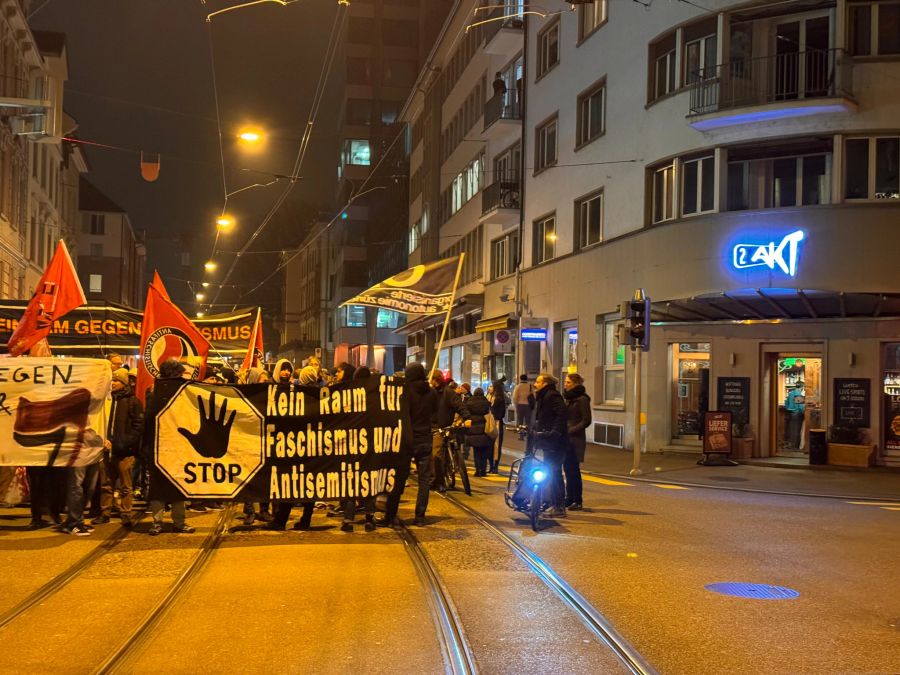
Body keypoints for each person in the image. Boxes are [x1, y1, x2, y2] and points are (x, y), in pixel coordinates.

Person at [382, 362, 437, 527]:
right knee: (424, 480)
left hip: (406, 440)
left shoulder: (404, 392)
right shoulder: (432, 393)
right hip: (425, 439)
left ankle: (390, 516)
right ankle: (420, 516)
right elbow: (434, 413)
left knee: (398, 478)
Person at [146, 359, 195, 535]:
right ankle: (167, 522)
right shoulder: (155, 393)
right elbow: (149, 420)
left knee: (176, 485)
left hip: (172, 446)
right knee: (161, 487)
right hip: (163, 447)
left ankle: (172, 522)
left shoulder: (181, 392)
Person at [93, 368, 144, 526]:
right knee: (106, 484)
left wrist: (123, 443)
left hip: (124, 451)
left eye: (116, 381)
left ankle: (126, 512)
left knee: (125, 485)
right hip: (107, 451)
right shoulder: (107, 401)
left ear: (123, 383)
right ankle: (105, 512)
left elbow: (138, 426)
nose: (113, 383)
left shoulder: (132, 402)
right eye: (112, 381)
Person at [531, 373, 568, 518]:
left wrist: (555, 432)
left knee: (554, 472)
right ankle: (554, 503)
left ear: (545, 383)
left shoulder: (552, 395)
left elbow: (561, 414)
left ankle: (558, 506)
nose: (535, 384)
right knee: (551, 472)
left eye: (538, 382)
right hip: (548, 440)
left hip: (555, 441)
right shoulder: (543, 396)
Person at [430, 371, 470, 493]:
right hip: (431, 426)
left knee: (436, 454)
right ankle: (436, 479)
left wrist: (467, 417)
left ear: (435, 380)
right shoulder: (430, 392)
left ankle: (440, 479)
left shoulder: (447, 392)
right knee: (432, 454)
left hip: (443, 426)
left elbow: (459, 405)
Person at [563, 373, 590, 511]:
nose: (565, 384)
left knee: (574, 470)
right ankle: (569, 498)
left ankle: (577, 500)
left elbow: (586, 420)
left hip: (576, 439)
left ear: (575, 384)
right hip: (566, 438)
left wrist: (571, 430)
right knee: (567, 468)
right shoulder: (568, 398)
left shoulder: (582, 399)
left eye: (568, 382)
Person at [465, 388, 493, 476]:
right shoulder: (486, 402)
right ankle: (483, 470)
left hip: (473, 428)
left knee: (476, 451)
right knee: (484, 451)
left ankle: (477, 470)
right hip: (484, 428)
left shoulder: (469, 402)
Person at [489, 379, 507, 473]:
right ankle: (491, 465)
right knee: (490, 445)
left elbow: (501, 413)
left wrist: (492, 411)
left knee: (496, 445)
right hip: (490, 422)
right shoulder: (489, 396)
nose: (489, 388)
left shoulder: (499, 399)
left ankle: (495, 466)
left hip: (496, 422)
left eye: (491, 386)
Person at [784, 380, 805, 449]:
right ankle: (795, 446)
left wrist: (789, 408)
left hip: (791, 413)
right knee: (797, 430)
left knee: (792, 429)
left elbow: (786, 403)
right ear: (802, 386)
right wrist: (803, 411)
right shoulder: (799, 394)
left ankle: (792, 444)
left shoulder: (791, 393)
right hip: (797, 413)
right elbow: (800, 406)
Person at [512, 374, 532, 439]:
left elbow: (515, 397)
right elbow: (533, 395)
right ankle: (528, 435)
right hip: (528, 405)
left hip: (520, 405)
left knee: (520, 421)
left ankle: (521, 436)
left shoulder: (518, 386)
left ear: (520, 379)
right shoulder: (530, 386)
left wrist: (515, 405)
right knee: (528, 421)